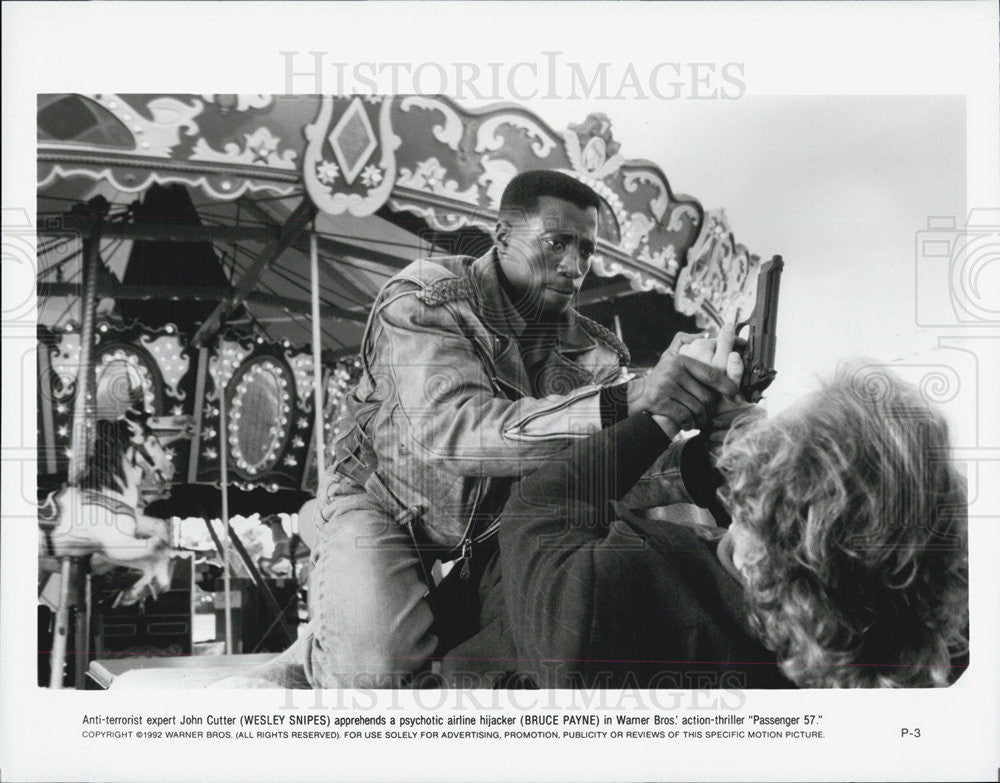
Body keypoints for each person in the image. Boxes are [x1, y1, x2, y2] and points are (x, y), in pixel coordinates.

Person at [304, 170, 742, 687]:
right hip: (385, 502)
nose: (575, 267)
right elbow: (453, 432)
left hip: (492, 527)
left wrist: (692, 443)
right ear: (503, 236)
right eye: (558, 244)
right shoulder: (426, 298)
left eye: (586, 250)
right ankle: (319, 654)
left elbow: (596, 471)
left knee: (538, 648)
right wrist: (630, 399)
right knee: (374, 673)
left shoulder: (596, 351)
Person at [443, 347, 969, 689]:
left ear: (767, 505)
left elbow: (543, 505)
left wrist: (661, 415)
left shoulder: (606, 601)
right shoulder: (857, 650)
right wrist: (747, 444)